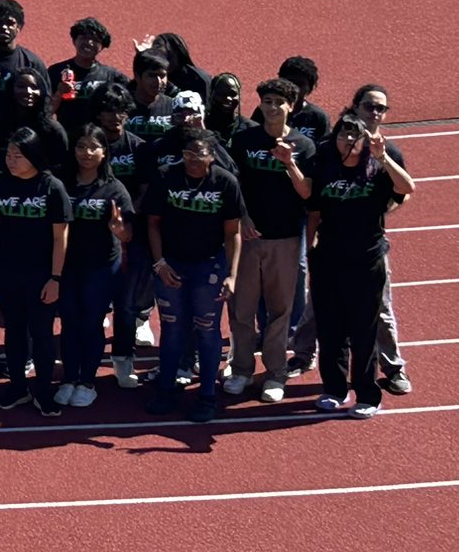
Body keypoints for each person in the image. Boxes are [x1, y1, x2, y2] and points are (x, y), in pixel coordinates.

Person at [307, 114, 415, 419]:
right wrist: (308, 248)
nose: (348, 141)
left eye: (355, 136)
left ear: (366, 141)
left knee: (363, 330)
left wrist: (383, 157)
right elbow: (313, 212)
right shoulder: (324, 168)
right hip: (328, 261)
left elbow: (407, 187)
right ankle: (334, 389)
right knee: (330, 330)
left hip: (366, 262)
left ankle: (367, 393)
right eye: (343, 135)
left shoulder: (376, 171)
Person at [139, 132, 244, 423]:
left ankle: (207, 395)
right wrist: (159, 263)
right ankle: (166, 389)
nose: (193, 161)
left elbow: (233, 232)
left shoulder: (225, 182)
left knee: (207, 329)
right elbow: (153, 223)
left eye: (200, 155)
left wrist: (232, 275)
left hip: (209, 266)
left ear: (212, 156)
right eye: (188, 154)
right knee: (172, 328)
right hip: (171, 264)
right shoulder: (165, 176)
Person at [226, 78, 314, 403]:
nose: (272, 108)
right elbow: (233, 187)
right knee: (242, 309)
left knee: (280, 311)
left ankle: (275, 374)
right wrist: (244, 218)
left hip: (286, 240)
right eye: (267, 102)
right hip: (249, 238)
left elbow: (307, 192)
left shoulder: (304, 146)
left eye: (279, 102)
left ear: (291, 106)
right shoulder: (244, 140)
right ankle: (241, 370)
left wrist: (289, 163)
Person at [0, 134, 71, 416]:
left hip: (42, 275)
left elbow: (61, 236)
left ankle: (44, 390)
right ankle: (17, 386)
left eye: (18, 155)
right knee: (14, 332)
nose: (11, 160)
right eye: (8, 154)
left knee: (42, 334)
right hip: (8, 273)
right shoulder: (0, 184)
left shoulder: (51, 187)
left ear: (33, 155)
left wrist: (55, 278)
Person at [58, 125, 133, 407]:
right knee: (69, 323)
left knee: (91, 324)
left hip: (101, 268)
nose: (86, 153)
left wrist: (118, 229)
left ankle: (87, 381)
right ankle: (68, 378)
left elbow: (128, 234)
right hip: (67, 266)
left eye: (93, 148)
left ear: (104, 153)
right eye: (81, 147)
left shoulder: (114, 189)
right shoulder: (62, 182)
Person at [48, 18, 125, 132]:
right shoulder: (56, 71)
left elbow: (136, 96)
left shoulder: (112, 76)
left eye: (95, 39)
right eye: (84, 37)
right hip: (67, 137)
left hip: (99, 141)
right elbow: (46, 112)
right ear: (74, 41)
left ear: (102, 46)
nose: (89, 43)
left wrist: (141, 56)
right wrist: (59, 94)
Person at [0, 0, 50, 100]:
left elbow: (45, 100)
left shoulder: (32, 63)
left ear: (19, 27)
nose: (3, 27)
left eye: (10, 23)